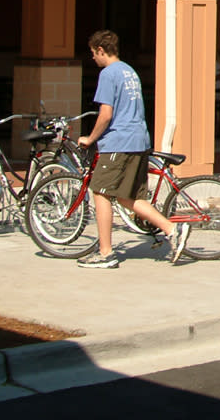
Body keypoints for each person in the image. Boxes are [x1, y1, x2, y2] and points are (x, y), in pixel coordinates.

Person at [75, 30, 189, 268]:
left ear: (101, 50)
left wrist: (91, 138)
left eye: (93, 53)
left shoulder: (108, 74)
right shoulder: (130, 71)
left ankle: (106, 253)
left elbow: (106, 115)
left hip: (119, 142)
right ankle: (171, 229)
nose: (92, 59)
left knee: (100, 192)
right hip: (139, 140)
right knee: (128, 197)